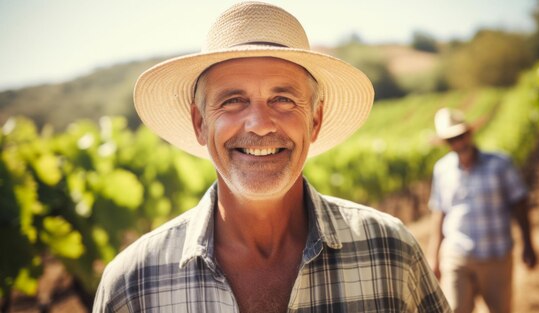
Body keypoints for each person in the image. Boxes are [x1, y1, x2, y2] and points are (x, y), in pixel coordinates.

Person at [93, 2, 450, 312]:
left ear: (315, 120)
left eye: (283, 99)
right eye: (233, 100)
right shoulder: (132, 285)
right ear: (200, 123)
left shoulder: (391, 252)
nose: (260, 125)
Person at [426, 108, 537, 313]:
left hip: (496, 255)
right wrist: (434, 257)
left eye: (460, 136)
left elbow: (519, 204)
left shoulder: (500, 164)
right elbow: (439, 213)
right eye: (451, 140)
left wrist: (528, 244)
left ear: (470, 134)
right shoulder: (442, 170)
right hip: (456, 256)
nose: (458, 143)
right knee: (455, 309)